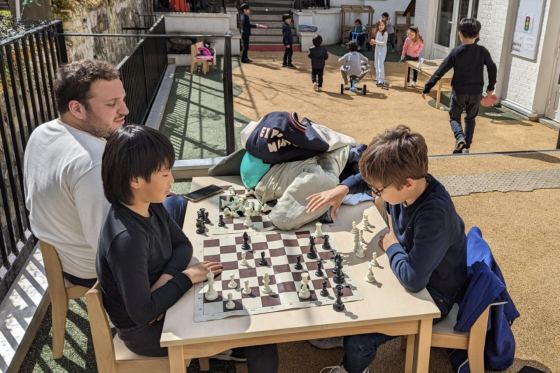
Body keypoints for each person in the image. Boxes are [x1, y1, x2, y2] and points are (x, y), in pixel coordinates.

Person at [97, 125, 280, 371]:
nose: (172, 180)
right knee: (261, 332)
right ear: (135, 180)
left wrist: (166, 279)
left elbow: (182, 244)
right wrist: (185, 277)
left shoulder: (149, 205)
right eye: (164, 174)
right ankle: (235, 343)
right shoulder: (127, 238)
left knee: (243, 299)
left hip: (165, 302)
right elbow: (143, 312)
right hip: (147, 332)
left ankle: (230, 344)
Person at [306, 126, 468, 373]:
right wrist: (344, 188)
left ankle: (353, 368)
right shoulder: (406, 183)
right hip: (412, 267)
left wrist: (392, 245)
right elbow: (369, 180)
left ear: (408, 183)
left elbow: (413, 280)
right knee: (348, 287)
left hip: (434, 294)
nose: (374, 193)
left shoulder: (433, 215)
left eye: (379, 192)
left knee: (358, 341)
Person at [23, 59, 188, 289]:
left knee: (166, 202)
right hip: (93, 269)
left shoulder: (42, 133)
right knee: (179, 206)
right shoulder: (94, 161)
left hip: (61, 258)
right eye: (112, 104)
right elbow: (113, 244)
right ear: (77, 109)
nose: (125, 110)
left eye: (122, 99)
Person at [422, 18, 497, 154]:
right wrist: (490, 88)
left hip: (459, 91)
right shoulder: (482, 51)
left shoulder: (456, 52)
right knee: (470, 118)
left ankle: (460, 138)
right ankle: (466, 147)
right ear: (478, 35)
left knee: (455, 117)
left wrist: (428, 87)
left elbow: (441, 70)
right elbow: (492, 68)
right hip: (476, 92)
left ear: (460, 34)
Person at [370, 19, 388, 86]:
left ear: (385, 26)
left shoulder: (385, 33)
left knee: (380, 64)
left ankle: (381, 80)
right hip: (377, 49)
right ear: (377, 26)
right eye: (380, 25)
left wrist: (376, 42)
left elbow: (384, 43)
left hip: (382, 50)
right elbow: (376, 41)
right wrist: (373, 42)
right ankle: (377, 78)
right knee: (376, 64)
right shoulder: (377, 32)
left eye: (383, 25)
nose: (381, 26)